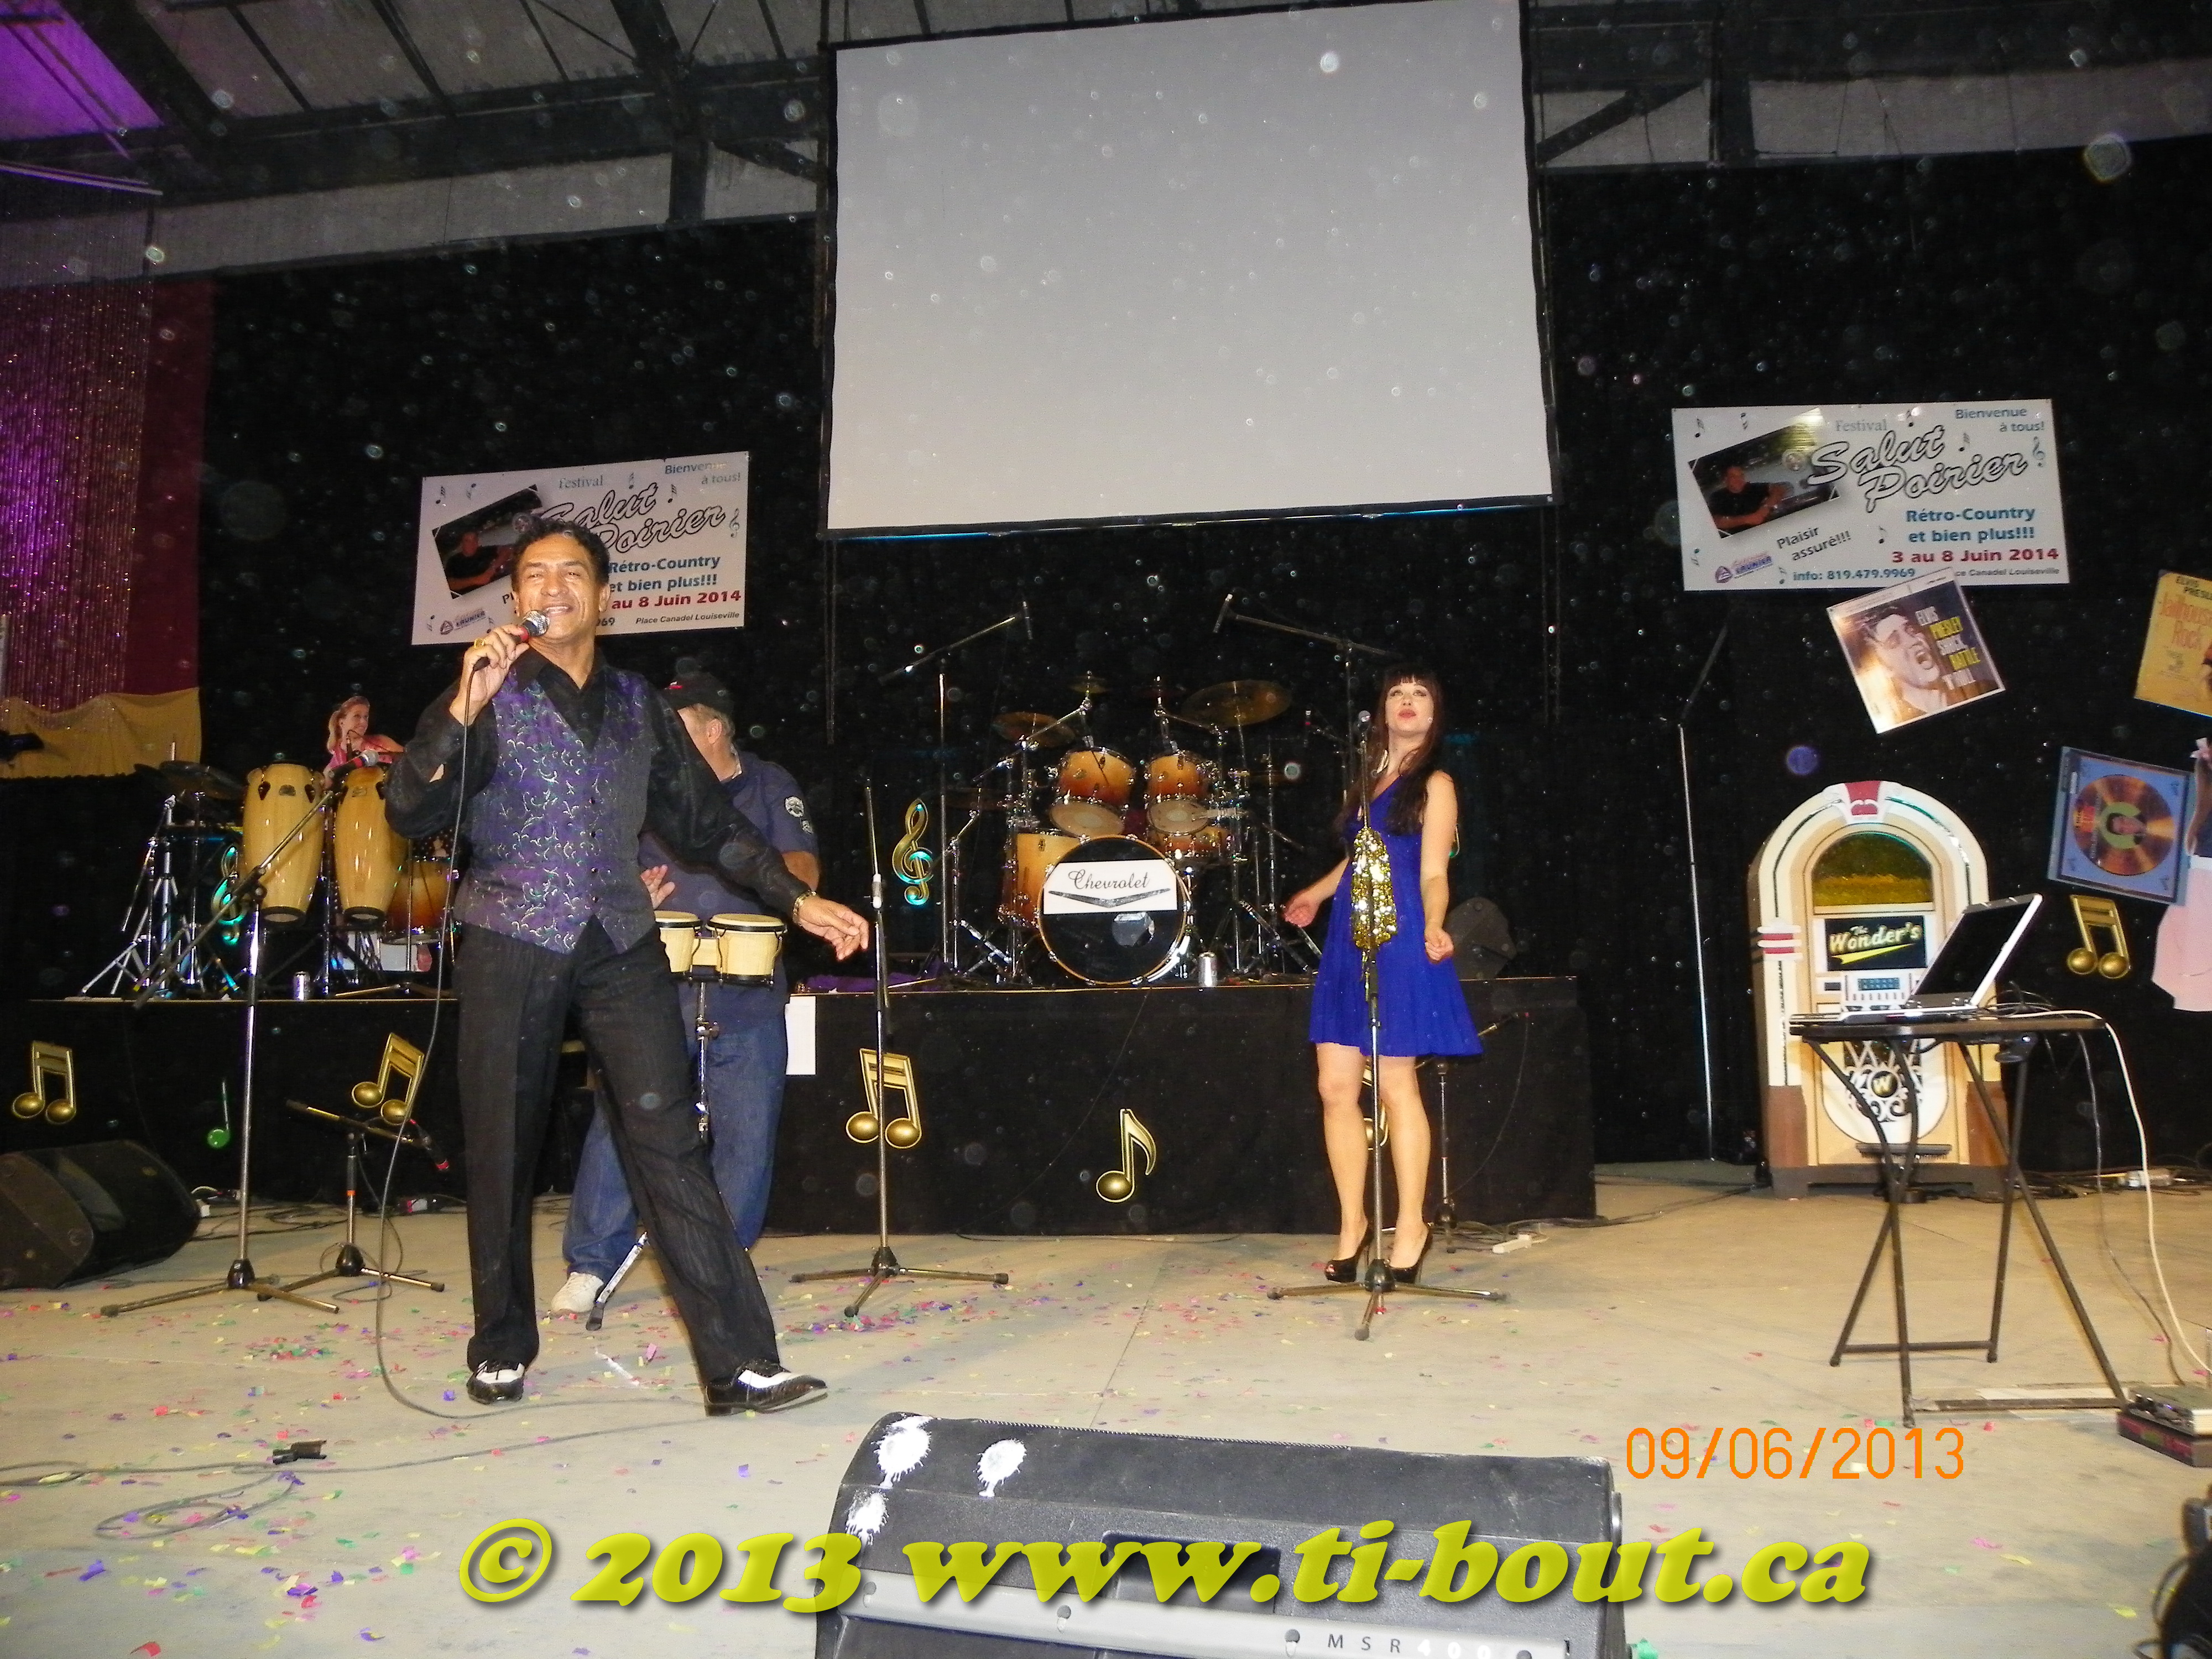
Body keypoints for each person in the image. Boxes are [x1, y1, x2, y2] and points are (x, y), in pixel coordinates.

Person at [384, 518, 870, 1415]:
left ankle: (738, 1366)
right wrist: (461, 710)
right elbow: (410, 810)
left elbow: (711, 825)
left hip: (619, 941)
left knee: (669, 1142)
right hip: (510, 937)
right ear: (516, 598)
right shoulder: (485, 692)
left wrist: (794, 899)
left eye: (572, 573)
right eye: (536, 575)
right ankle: (502, 1344)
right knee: (502, 1143)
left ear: (604, 598)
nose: (553, 587)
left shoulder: (638, 703)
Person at [552, 668, 817, 1313]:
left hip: (748, 987)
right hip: (655, 986)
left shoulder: (768, 783)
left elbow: (805, 869)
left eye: (676, 728)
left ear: (715, 729)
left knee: (747, 1131)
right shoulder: (643, 787)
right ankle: (592, 1262)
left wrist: (757, 876)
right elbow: (595, 872)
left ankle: (722, 1264)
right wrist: (629, 895)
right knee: (624, 1118)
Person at [1281, 669, 1480, 1287]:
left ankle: (1411, 1227)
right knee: (1335, 1086)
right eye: (1398, 694)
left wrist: (1436, 923)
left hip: (1402, 933)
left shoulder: (1436, 785)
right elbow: (1359, 860)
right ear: (1382, 712)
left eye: (1420, 695)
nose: (1407, 702)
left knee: (1394, 1081)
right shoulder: (1367, 784)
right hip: (1350, 936)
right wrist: (1315, 895)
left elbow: (1433, 871)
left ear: (1433, 716)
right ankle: (1353, 1226)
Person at [325, 696, 403, 773]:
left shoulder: (381, 742)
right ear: (341, 723)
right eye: (357, 716)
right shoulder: (335, 762)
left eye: (366, 717)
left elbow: (408, 760)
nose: (363, 722)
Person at [1705, 463, 1784, 533]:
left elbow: (1778, 489)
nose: (1739, 479)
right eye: (1734, 477)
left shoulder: (1754, 488)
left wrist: (1766, 507)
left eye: (1741, 476)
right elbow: (1716, 521)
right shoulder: (1718, 497)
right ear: (1726, 479)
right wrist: (1748, 519)